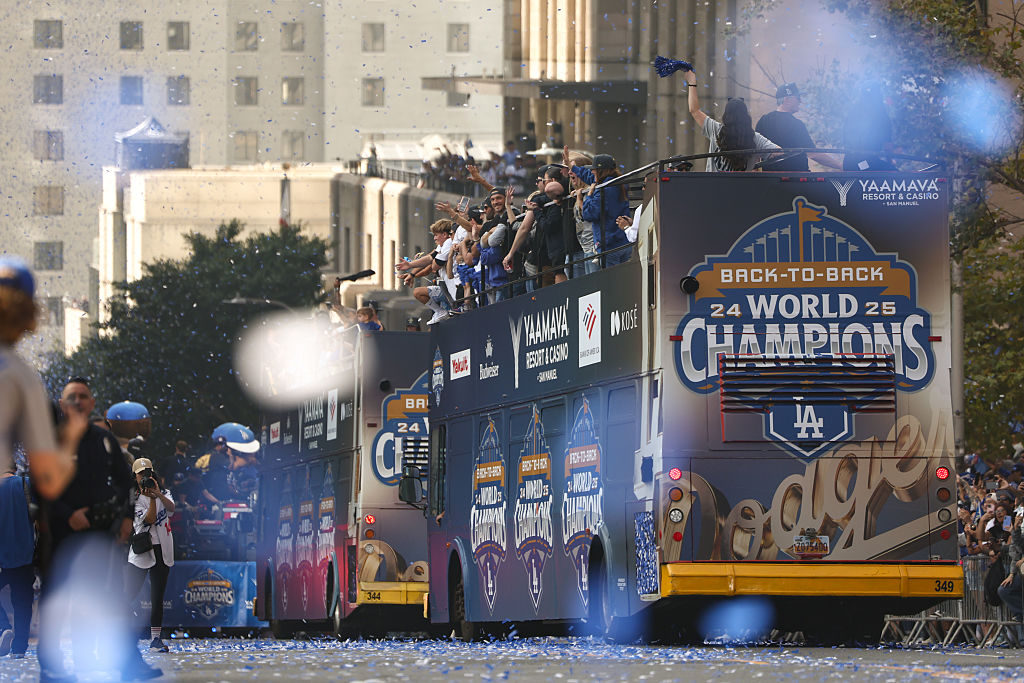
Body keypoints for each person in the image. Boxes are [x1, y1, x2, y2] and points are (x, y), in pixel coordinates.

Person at [39, 379, 160, 681]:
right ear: (62, 404)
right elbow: (38, 487)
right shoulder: (51, 440)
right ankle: (51, 667)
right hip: (60, 536)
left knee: (114, 598)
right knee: (58, 599)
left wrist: (126, 518)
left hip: (99, 533)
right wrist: (68, 514)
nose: (77, 402)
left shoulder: (103, 440)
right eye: (71, 398)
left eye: (83, 396)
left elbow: (126, 483)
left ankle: (129, 662)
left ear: (93, 403)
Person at [0, 258, 82, 663]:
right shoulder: (21, 376)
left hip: (21, 542)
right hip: (19, 548)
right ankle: (16, 644)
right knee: (19, 596)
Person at [682, 67, 780, 172]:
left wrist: (692, 82)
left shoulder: (716, 130)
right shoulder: (755, 138)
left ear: (726, 115)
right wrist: (758, 157)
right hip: (741, 187)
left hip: (713, 186)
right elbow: (779, 153)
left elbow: (694, 110)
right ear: (746, 117)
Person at [125, 458, 175, 653]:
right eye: (141, 474)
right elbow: (150, 519)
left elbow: (171, 509)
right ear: (135, 476)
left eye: (148, 472)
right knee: (129, 593)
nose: (145, 476)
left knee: (157, 598)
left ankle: (155, 640)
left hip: (162, 550)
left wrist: (157, 494)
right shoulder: (133, 498)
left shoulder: (164, 492)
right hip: (142, 550)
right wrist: (153, 499)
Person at [755, 83, 842, 172]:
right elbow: (813, 154)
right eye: (797, 98)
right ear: (787, 99)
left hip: (769, 180)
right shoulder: (796, 124)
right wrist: (840, 165)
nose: (800, 101)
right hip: (797, 180)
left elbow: (756, 153)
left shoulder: (763, 121)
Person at [568, 152, 633, 267]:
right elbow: (590, 177)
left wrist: (588, 195)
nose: (592, 172)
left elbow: (588, 214)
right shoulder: (618, 183)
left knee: (608, 282)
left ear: (601, 171)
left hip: (609, 245)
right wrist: (572, 167)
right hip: (623, 242)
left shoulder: (604, 189)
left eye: (594, 170)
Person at [843, 81, 896, 172]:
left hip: (847, 163)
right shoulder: (881, 115)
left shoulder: (852, 112)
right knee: (897, 177)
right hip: (864, 164)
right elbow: (888, 146)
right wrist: (890, 161)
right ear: (878, 95)